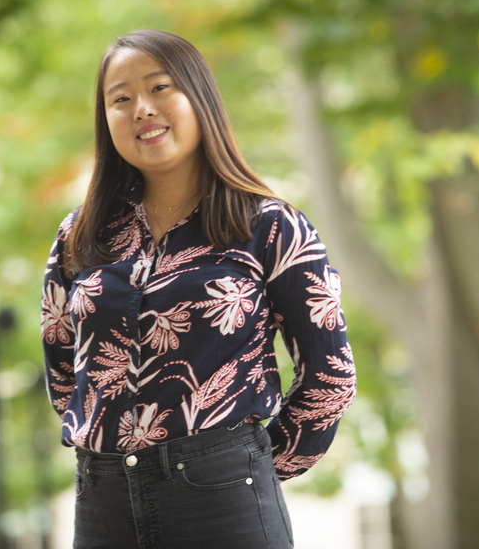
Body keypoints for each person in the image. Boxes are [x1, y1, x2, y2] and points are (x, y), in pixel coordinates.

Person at [41, 29, 356, 549]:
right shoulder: (80, 235)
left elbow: (330, 377)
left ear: (199, 98)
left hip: (224, 502)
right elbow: (61, 370)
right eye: (121, 99)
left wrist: (245, 467)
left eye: (159, 88)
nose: (141, 109)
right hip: (103, 502)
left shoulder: (270, 226)